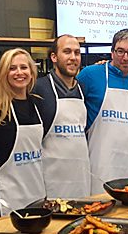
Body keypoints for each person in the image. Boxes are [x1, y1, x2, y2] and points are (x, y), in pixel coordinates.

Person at [0, 48, 45, 217]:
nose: (19, 73)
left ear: (31, 71)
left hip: (35, 188)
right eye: (12, 68)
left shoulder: (38, 105)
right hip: (4, 194)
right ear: (3, 73)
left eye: (24, 67)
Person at [77, 29, 128, 194]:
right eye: (120, 51)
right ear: (112, 52)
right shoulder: (90, 75)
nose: (125, 57)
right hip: (100, 162)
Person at [33, 35, 91, 197]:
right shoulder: (39, 88)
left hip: (81, 178)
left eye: (77, 53)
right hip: (51, 180)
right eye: (67, 52)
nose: (73, 58)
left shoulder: (82, 89)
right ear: (54, 57)